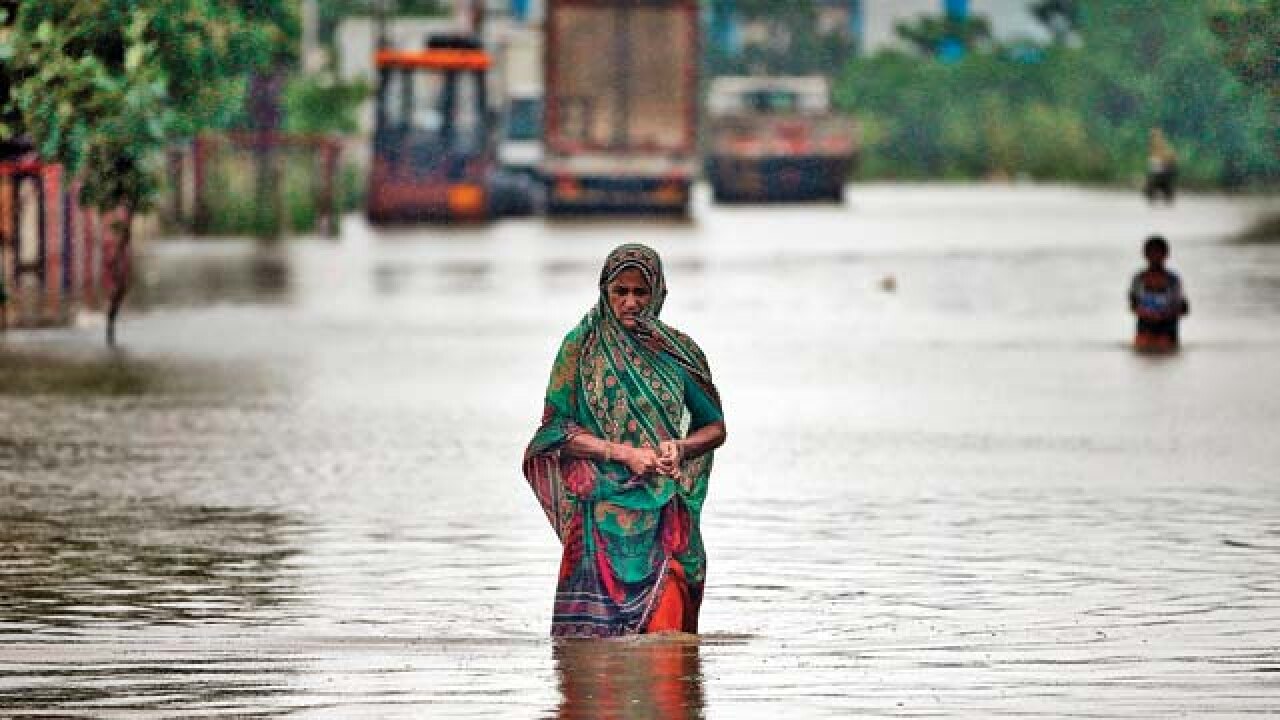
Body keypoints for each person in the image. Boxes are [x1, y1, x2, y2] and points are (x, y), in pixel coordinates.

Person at [524, 244, 727, 638]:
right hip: (599, 520)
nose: (631, 302)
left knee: (669, 647)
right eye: (621, 292)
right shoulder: (580, 350)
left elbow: (715, 427)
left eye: (641, 292)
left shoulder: (677, 353)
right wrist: (622, 453)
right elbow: (552, 432)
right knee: (593, 667)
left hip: (665, 513)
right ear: (605, 292)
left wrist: (679, 448)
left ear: (659, 294)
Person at [1129, 235, 1189, 352]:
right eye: (1151, 253)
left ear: (1166, 255)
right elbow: (1133, 305)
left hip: (1167, 328)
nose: (1155, 257)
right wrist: (1147, 314)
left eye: (1158, 253)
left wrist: (1165, 315)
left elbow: (1183, 307)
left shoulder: (1173, 280)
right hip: (1145, 327)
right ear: (1145, 255)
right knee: (1141, 346)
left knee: (1165, 345)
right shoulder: (1139, 279)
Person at [1144, 128, 1178, 204]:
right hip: (1157, 175)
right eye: (1153, 137)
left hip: (1164, 175)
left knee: (1165, 189)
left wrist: (1166, 163)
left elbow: (1171, 161)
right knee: (1150, 188)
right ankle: (1157, 192)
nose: (1154, 140)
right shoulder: (1152, 150)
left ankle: (1164, 192)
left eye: (1156, 137)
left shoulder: (1166, 150)